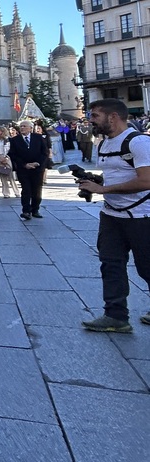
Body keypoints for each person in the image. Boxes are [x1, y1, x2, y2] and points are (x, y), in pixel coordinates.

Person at [78, 98, 150, 333]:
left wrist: (103, 189)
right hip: (111, 216)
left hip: (141, 216)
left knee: (146, 267)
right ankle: (116, 317)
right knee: (110, 264)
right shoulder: (104, 144)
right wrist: (97, 182)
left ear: (113, 117)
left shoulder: (138, 142)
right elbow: (115, 176)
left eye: (95, 115)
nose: (90, 120)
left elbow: (146, 180)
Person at [9, 119, 50, 220]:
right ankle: (26, 211)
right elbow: (13, 154)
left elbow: (44, 152)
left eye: (24, 126)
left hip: (37, 169)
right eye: (21, 126)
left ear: (31, 128)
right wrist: (24, 164)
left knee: (36, 190)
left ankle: (35, 209)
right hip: (23, 169)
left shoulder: (38, 138)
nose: (22, 128)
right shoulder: (15, 140)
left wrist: (37, 163)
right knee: (26, 190)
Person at [0, 126, 19, 200]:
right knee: (3, 175)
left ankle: (16, 192)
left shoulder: (8, 140)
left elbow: (11, 150)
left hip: (7, 158)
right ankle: (6, 193)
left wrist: (6, 158)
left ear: (2, 131)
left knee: (10, 176)